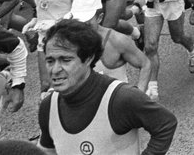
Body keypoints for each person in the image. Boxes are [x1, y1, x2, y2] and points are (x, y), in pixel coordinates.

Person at [37, 19, 177, 154]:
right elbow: (47, 150)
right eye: (50, 61)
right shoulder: (48, 106)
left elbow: (166, 125)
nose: (55, 70)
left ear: (88, 59)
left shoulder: (121, 97)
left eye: (65, 60)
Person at [22, 0, 83, 90]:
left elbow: (84, 13)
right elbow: (40, 10)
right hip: (44, 40)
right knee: (46, 84)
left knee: (71, 83)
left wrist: (58, 24)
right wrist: (33, 22)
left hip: (68, 40)